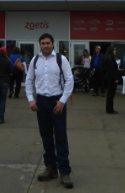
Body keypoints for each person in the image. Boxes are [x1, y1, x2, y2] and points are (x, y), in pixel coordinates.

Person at [26, 33, 74, 189]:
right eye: (43, 43)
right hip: (41, 103)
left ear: (53, 44)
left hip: (57, 102)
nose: (45, 45)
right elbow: (29, 80)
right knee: (46, 136)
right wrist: (31, 99)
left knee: (60, 137)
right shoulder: (35, 60)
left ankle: (64, 171)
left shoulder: (61, 59)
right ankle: (51, 168)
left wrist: (62, 101)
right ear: (40, 45)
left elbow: (69, 80)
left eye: (48, 43)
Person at [0, 47, 12, 123]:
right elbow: (10, 73)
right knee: (3, 99)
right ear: (5, 53)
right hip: (5, 81)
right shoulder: (7, 61)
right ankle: (1, 118)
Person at [103, 46, 120, 114]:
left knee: (110, 93)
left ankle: (109, 108)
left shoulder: (107, 57)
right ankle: (110, 109)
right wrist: (115, 78)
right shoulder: (110, 58)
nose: (115, 51)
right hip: (111, 78)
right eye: (114, 50)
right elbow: (112, 69)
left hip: (109, 77)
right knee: (111, 93)